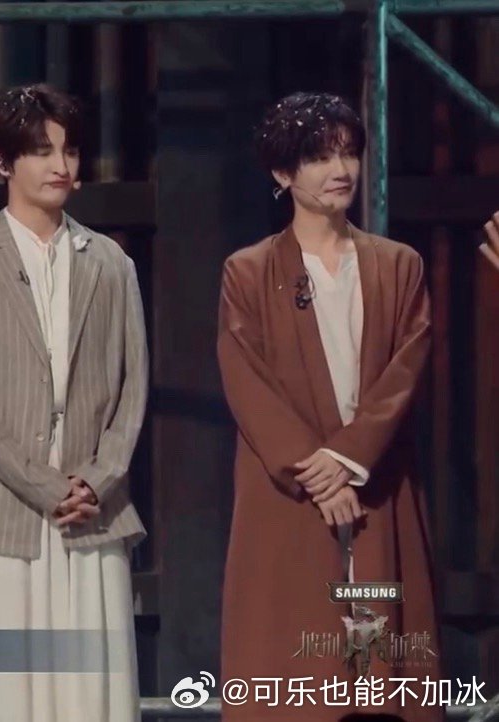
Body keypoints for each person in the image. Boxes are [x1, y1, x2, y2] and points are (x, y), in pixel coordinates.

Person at [0, 83, 148, 722]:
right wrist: (43, 485)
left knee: (92, 696)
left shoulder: (112, 264)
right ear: (2, 161)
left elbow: (132, 387)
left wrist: (98, 478)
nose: (61, 166)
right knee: (3, 696)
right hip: (1, 511)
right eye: (43, 151)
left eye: (70, 151)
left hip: (92, 510)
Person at [217, 92, 441, 721]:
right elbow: (247, 380)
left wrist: (346, 458)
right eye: (319, 157)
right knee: (296, 659)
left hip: (375, 482)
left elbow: (406, 372)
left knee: (378, 660)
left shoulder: (398, 265)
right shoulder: (249, 271)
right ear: (282, 172)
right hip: (290, 492)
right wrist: (313, 470)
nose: (340, 170)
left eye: (348, 154)